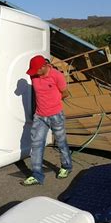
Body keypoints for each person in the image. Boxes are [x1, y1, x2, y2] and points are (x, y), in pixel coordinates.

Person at [21, 55, 73, 186]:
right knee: (36, 144)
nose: (33, 74)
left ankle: (66, 167)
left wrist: (53, 102)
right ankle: (37, 175)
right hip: (39, 116)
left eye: (36, 70)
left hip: (56, 115)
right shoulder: (34, 76)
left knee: (61, 142)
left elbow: (65, 93)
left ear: (44, 66)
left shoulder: (57, 76)